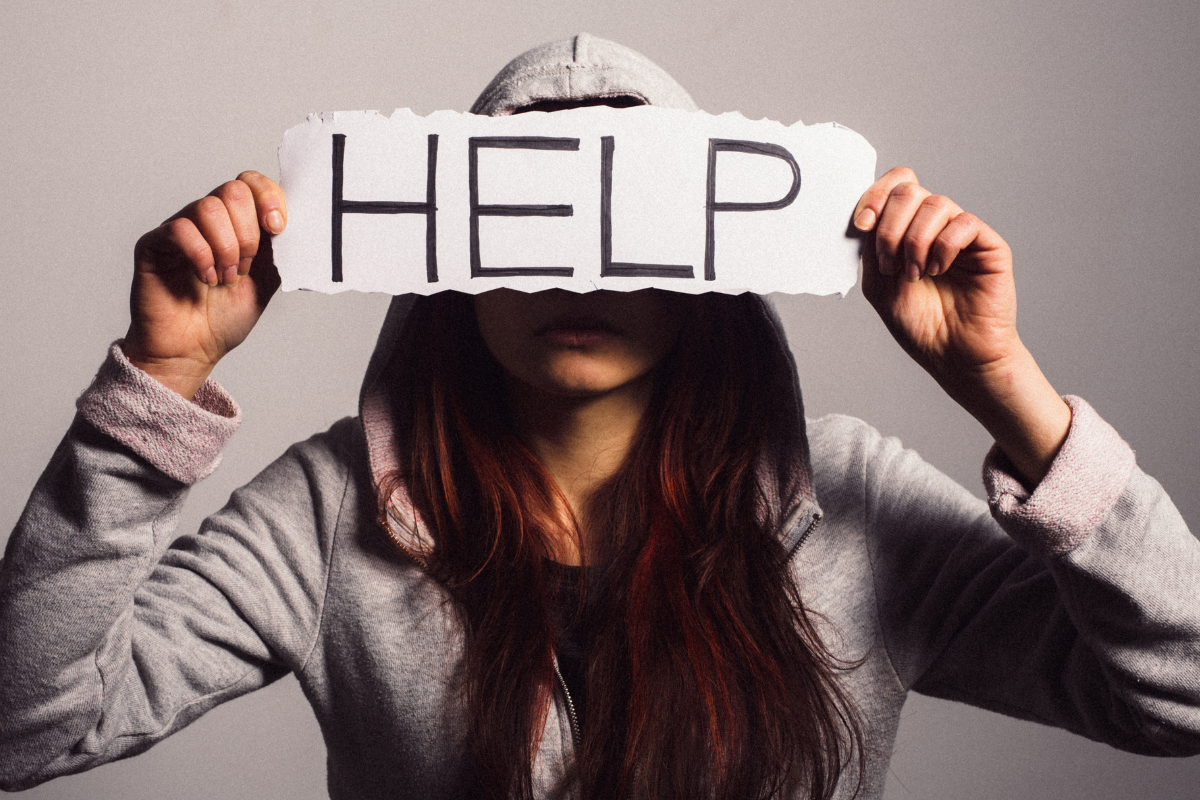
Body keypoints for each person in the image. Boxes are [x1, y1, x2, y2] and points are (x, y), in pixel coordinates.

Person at [1, 33, 1198, 800]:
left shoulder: (852, 499)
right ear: (451, 257)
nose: (577, 279)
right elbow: (24, 728)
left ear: (710, 259)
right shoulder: (329, 516)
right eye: (527, 225)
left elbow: (1181, 694)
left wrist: (1008, 391)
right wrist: (150, 395)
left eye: (629, 228)